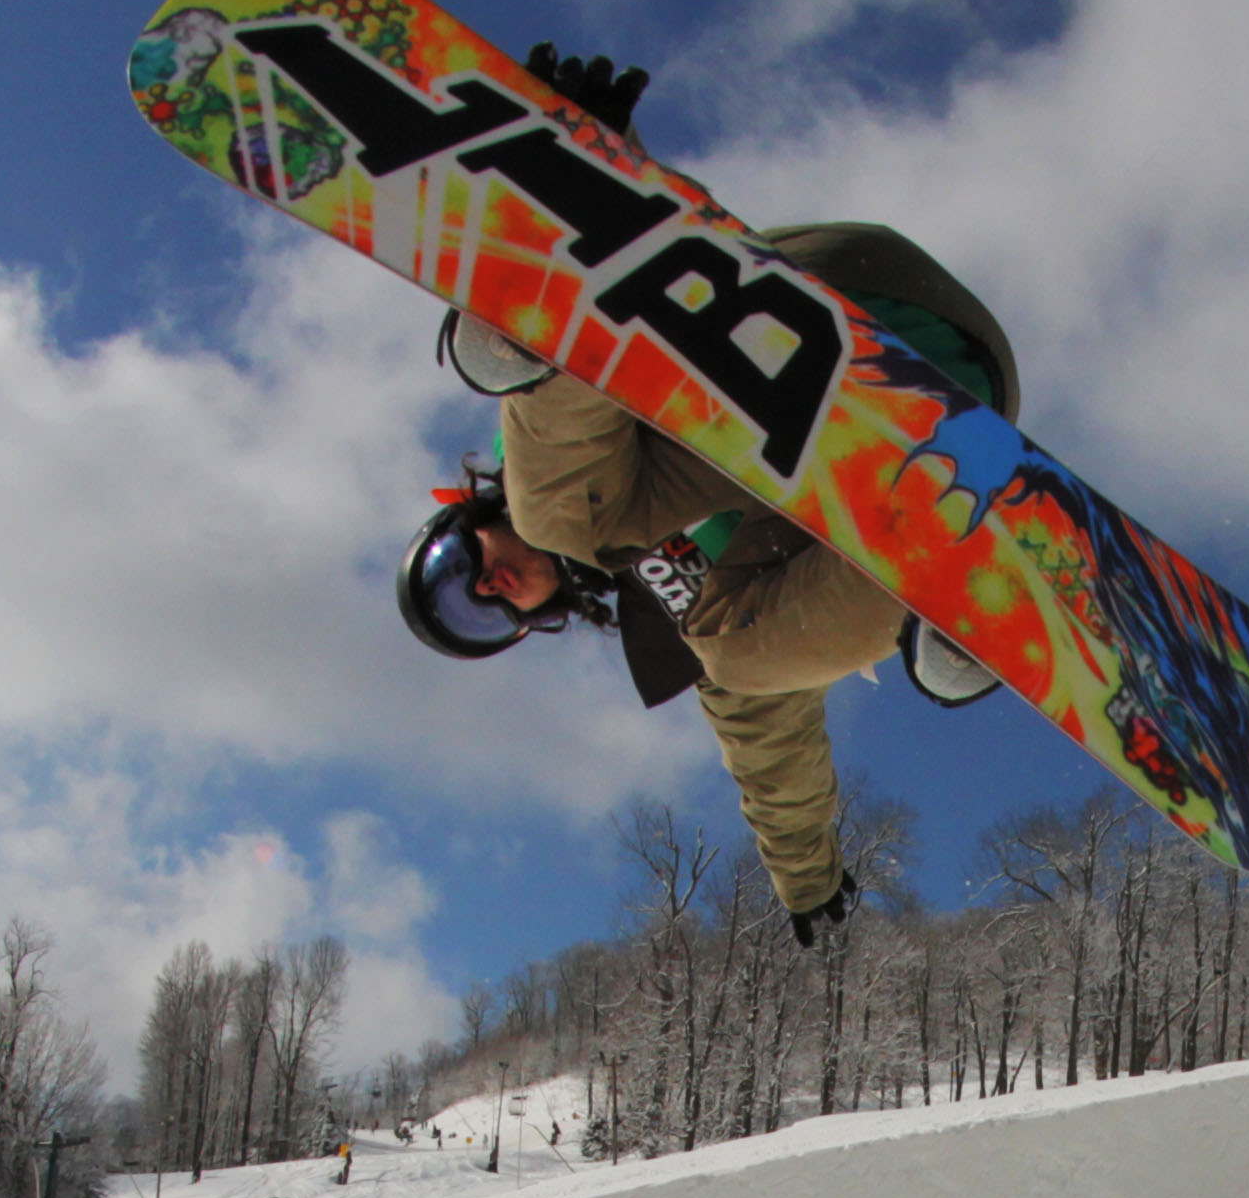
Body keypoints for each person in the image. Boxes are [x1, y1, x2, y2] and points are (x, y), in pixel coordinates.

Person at [398, 46, 1019, 948]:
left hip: (851, 308)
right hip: (949, 425)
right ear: (529, 626)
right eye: (483, 615)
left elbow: (685, 292)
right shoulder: (671, 595)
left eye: (459, 572)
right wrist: (807, 877)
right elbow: (765, 732)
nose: (490, 587)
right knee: (734, 659)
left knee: (565, 511)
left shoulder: (562, 459)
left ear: (467, 514)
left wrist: (597, 184)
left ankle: (558, 260)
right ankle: (954, 572)